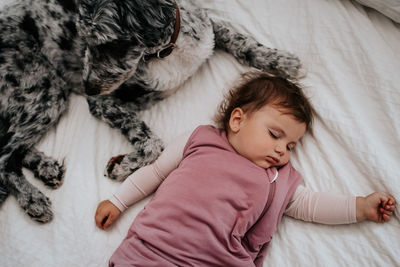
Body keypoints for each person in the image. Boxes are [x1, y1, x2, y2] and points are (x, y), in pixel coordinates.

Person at [95, 71, 396, 266]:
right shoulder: (199, 139)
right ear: (237, 120)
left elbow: (311, 205)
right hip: (153, 250)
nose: (282, 150)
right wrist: (119, 201)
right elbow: (157, 172)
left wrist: (360, 207)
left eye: (291, 146)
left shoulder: (277, 178)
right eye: (275, 135)